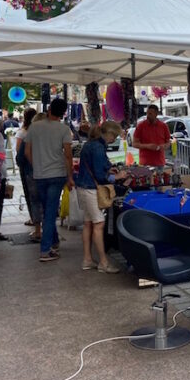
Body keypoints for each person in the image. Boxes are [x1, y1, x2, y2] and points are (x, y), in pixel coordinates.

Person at [24, 98, 74, 262]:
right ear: (63, 113)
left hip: (40, 175)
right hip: (57, 174)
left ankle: (53, 241)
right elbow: (67, 154)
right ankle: (45, 250)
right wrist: (70, 176)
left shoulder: (34, 127)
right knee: (51, 212)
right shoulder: (64, 129)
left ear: (49, 109)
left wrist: (36, 165)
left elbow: (27, 152)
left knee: (48, 209)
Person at [75, 121, 127, 274]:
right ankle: (103, 262)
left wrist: (108, 168)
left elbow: (93, 166)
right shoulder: (98, 147)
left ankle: (87, 259)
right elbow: (100, 175)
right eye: (115, 136)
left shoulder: (91, 144)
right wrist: (117, 176)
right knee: (99, 224)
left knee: (88, 223)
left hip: (83, 186)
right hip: (91, 189)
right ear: (109, 134)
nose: (115, 139)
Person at [15, 108, 42, 240]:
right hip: (50, 172)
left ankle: (38, 229)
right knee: (48, 202)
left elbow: (21, 155)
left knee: (34, 199)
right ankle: (50, 233)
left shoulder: (25, 134)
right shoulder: (53, 135)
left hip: (31, 171)